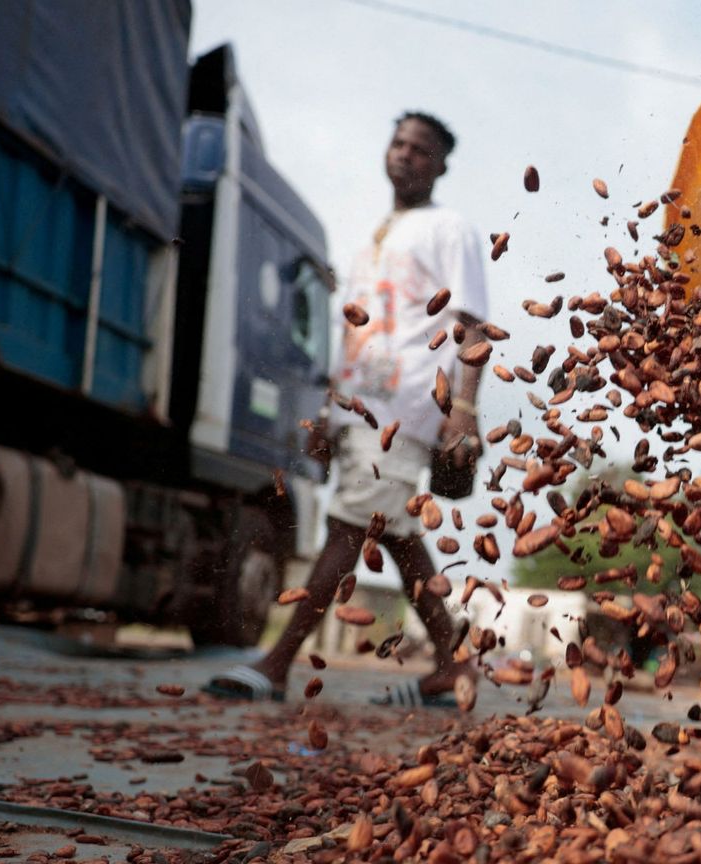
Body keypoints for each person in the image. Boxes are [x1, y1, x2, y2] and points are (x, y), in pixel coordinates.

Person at [205, 111, 488, 709]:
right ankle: (455, 667)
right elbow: (357, 332)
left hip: (406, 409)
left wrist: (462, 407)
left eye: (420, 149)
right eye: (399, 143)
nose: (406, 155)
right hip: (360, 408)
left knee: (347, 527)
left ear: (440, 165)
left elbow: (469, 323)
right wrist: (329, 412)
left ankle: (276, 665)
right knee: (402, 540)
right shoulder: (375, 237)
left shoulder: (450, 228)